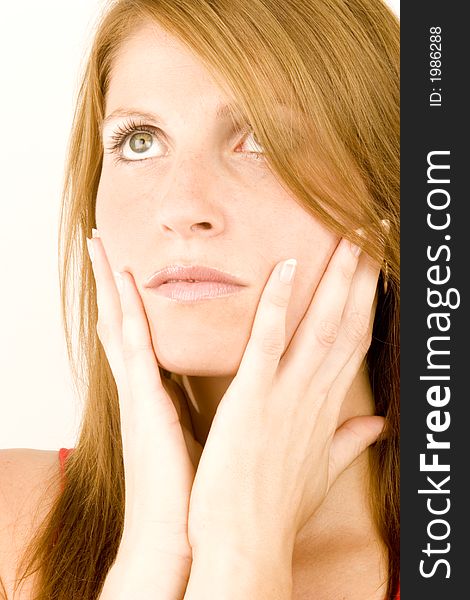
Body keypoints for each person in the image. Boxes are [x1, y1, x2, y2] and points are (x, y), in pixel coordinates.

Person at [0, 0, 399, 598]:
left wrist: (243, 550)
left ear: (384, 193)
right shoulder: (12, 529)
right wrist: (152, 550)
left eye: (259, 140)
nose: (183, 207)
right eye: (139, 141)